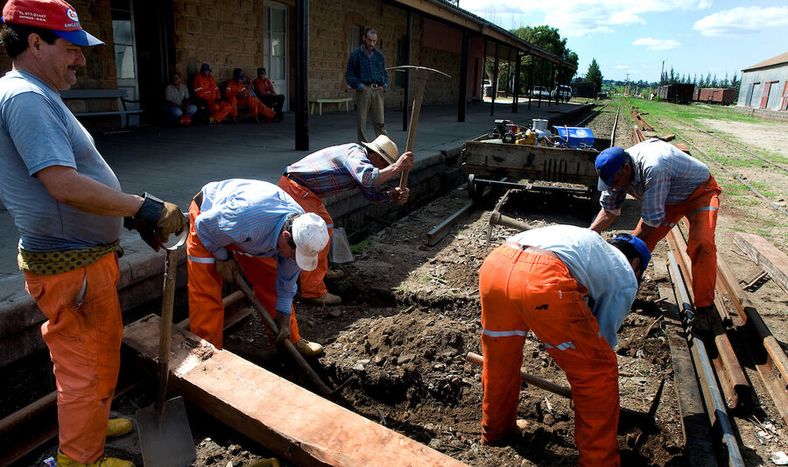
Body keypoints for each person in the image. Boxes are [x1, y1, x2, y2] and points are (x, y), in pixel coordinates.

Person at [0, 1, 186, 465]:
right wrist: (141, 207)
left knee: (98, 355)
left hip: (82, 261)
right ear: (35, 43)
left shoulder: (37, 92)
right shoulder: (26, 98)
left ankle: (92, 424)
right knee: (85, 368)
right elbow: (61, 185)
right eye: (72, 48)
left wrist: (125, 216)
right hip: (72, 267)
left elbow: (73, 183)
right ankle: (79, 460)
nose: (82, 59)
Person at [479, 225, 651, 466]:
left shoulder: (585, 246)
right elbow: (604, 337)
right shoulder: (624, 273)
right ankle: (599, 461)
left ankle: (496, 431)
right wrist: (585, 383)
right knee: (597, 373)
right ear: (635, 263)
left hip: (496, 265)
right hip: (541, 276)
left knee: (500, 360)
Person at [590, 140, 721, 333]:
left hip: (699, 193)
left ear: (626, 169)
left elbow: (651, 221)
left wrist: (622, 246)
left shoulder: (654, 167)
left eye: (616, 182)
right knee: (638, 247)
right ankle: (624, 294)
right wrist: (589, 235)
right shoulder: (614, 171)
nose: (614, 186)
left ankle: (704, 309)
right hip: (668, 197)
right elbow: (609, 209)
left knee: (702, 244)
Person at [187, 179, 328, 356]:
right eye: (294, 255)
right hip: (210, 223)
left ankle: (289, 342)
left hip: (250, 233)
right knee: (205, 289)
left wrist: (283, 320)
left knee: (271, 282)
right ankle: (207, 353)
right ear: (286, 237)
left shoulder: (301, 235)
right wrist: (223, 258)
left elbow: (286, 286)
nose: (294, 260)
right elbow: (204, 225)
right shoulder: (247, 217)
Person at [279, 135, 413, 306]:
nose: (384, 169)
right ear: (377, 156)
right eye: (385, 164)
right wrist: (396, 167)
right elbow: (368, 179)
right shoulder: (355, 153)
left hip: (306, 192)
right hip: (296, 189)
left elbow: (370, 192)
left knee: (326, 225)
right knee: (316, 232)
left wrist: (391, 195)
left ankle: (318, 270)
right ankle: (312, 291)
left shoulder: (361, 162)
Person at [345, 27, 389, 143]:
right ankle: (363, 148)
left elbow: (385, 73)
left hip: (378, 90)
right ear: (364, 38)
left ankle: (384, 148)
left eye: (374, 41)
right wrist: (360, 87)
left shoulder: (379, 56)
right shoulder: (355, 55)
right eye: (369, 40)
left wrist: (384, 85)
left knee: (380, 122)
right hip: (363, 90)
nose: (372, 44)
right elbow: (349, 75)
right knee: (361, 123)